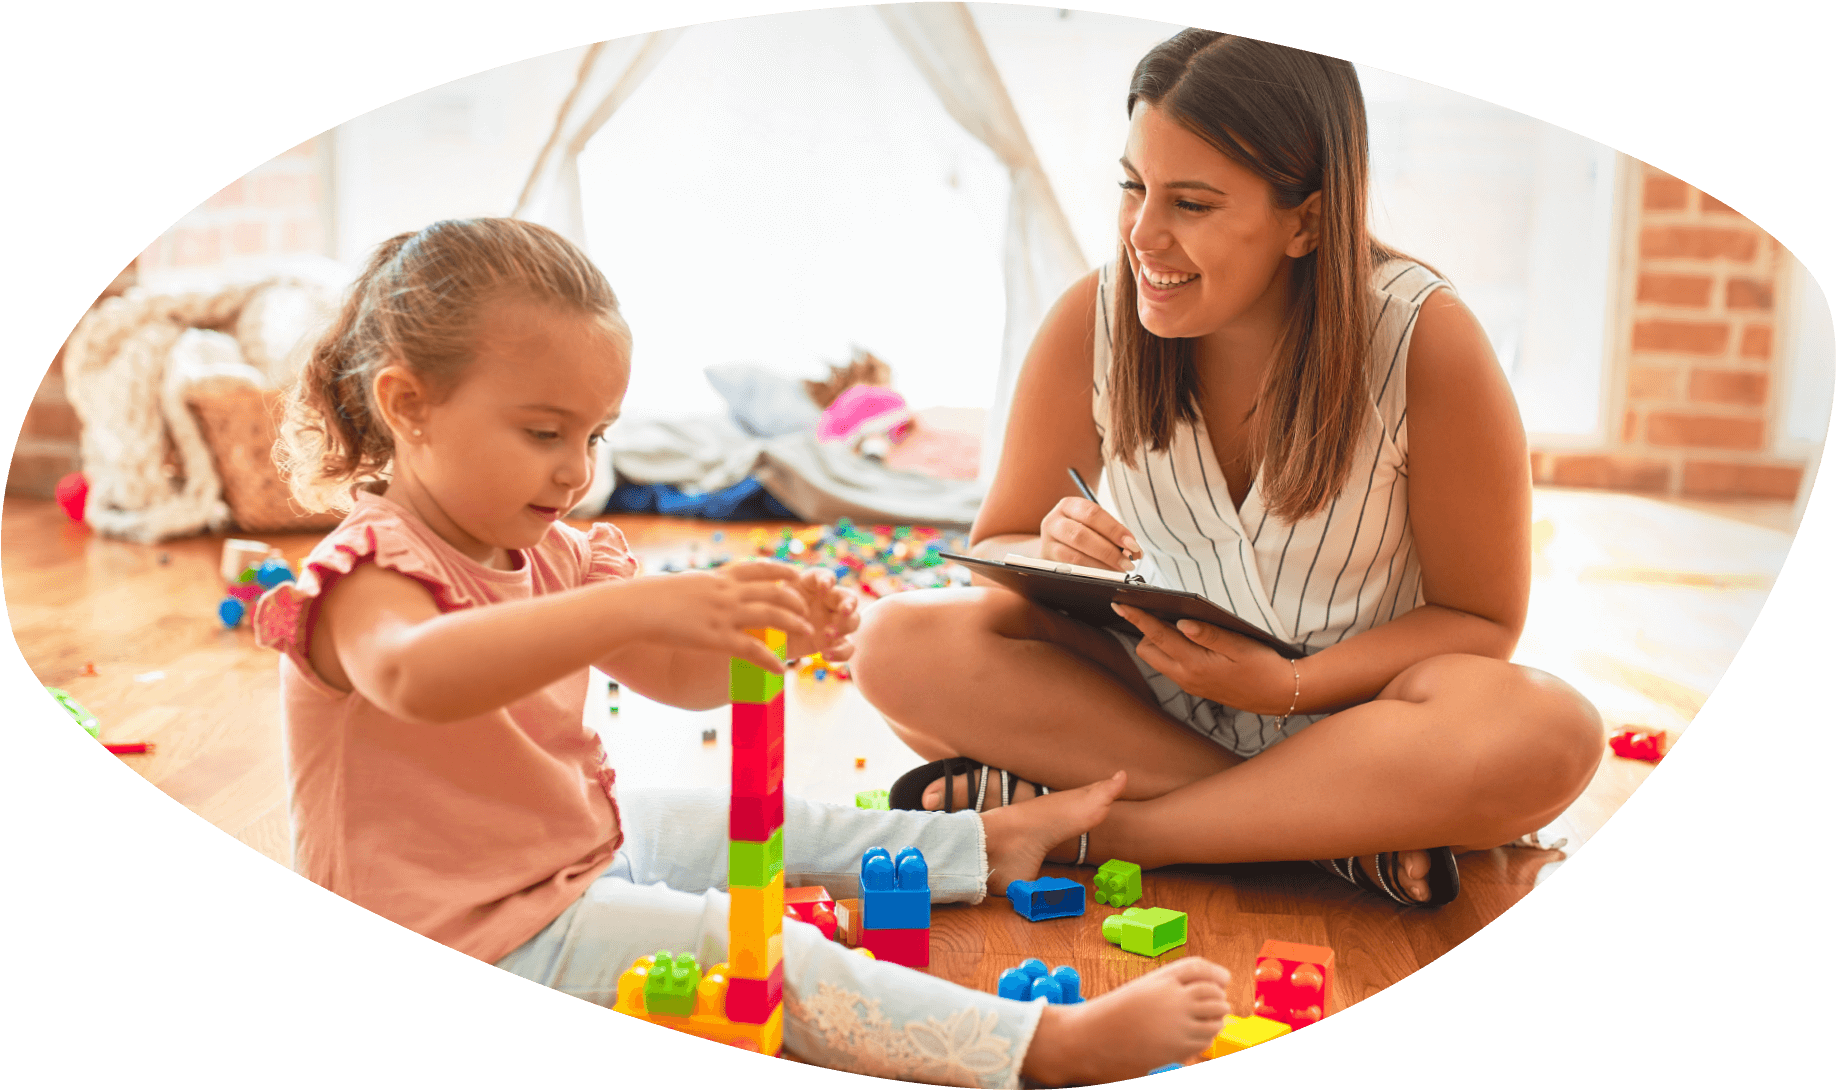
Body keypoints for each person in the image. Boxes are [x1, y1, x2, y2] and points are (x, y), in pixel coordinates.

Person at [254, 217, 1233, 1087]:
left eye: (596, 434)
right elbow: (415, 675)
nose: (577, 469)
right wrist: (640, 604)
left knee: (738, 823)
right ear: (408, 404)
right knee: (763, 953)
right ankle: (1037, 1046)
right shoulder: (362, 575)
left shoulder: (548, 551)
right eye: (544, 431)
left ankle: (980, 844)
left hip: (554, 865)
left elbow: (679, 680)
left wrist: (766, 640)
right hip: (472, 933)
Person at [851, 32, 1606, 908]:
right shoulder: (1090, 319)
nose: (1143, 233)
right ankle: (1328, 838)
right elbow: (1002, 555)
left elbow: (1479, 620)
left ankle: (1112, 830)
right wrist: (1053, 545)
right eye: (1133, 186)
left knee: (1550, 732)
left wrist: (1292, 686)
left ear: (1308, 219)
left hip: (1372, 732)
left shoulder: (1427, 342)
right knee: (897, 644)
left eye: (1193, 203)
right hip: (1142, 708)